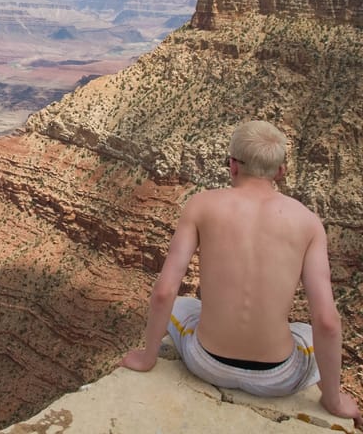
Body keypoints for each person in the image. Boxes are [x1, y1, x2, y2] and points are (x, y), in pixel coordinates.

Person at [121, 120, 361, 428]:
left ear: (233, 165)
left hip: (206, 363)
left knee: (182, 305)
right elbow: (327, 321)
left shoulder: (201, 205)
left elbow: (164, 291)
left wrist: (147, 358)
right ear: (281, 171)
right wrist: (333, 399)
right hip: (279, 377)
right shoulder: (309, 222)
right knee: (304, 330)